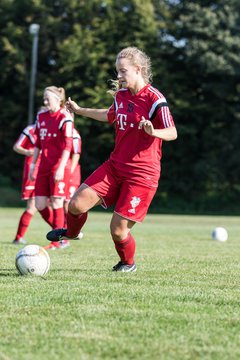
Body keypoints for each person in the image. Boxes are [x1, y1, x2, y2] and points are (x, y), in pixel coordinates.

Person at [46, 47, 177, 271]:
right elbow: (109, 115)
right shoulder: (121, 96)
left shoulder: (155, 99)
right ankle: (71, 234)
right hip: (115, 166)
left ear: (138, 69)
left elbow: (172, 132)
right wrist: (79, 110)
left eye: (123, 71)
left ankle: (128, 263)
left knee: (118, 230)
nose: (119, 76)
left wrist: (153, 132)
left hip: (142, 175)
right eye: (117, 71)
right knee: (75, 204)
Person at [29, 86, 74, 250]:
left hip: (59, 165)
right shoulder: (40, 117)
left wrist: (61, 167)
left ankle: (56, 241)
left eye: (48, 98)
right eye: (44, 98)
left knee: (57, 202)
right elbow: (38, 144)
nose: (45, 101)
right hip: (43, 166)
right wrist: (33, 165)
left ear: (58, 99)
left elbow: (68, 145)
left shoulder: (65, 116)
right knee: (40, 204)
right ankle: (63, 232)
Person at [12, 123, 54, 244]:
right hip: (33, 171)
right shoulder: (31, 130)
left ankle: (62, 233)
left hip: (48, 170)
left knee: (49, 204)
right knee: (33, 205)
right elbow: (16, 146)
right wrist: (28, 152)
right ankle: (19, 237)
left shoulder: (54, 128)